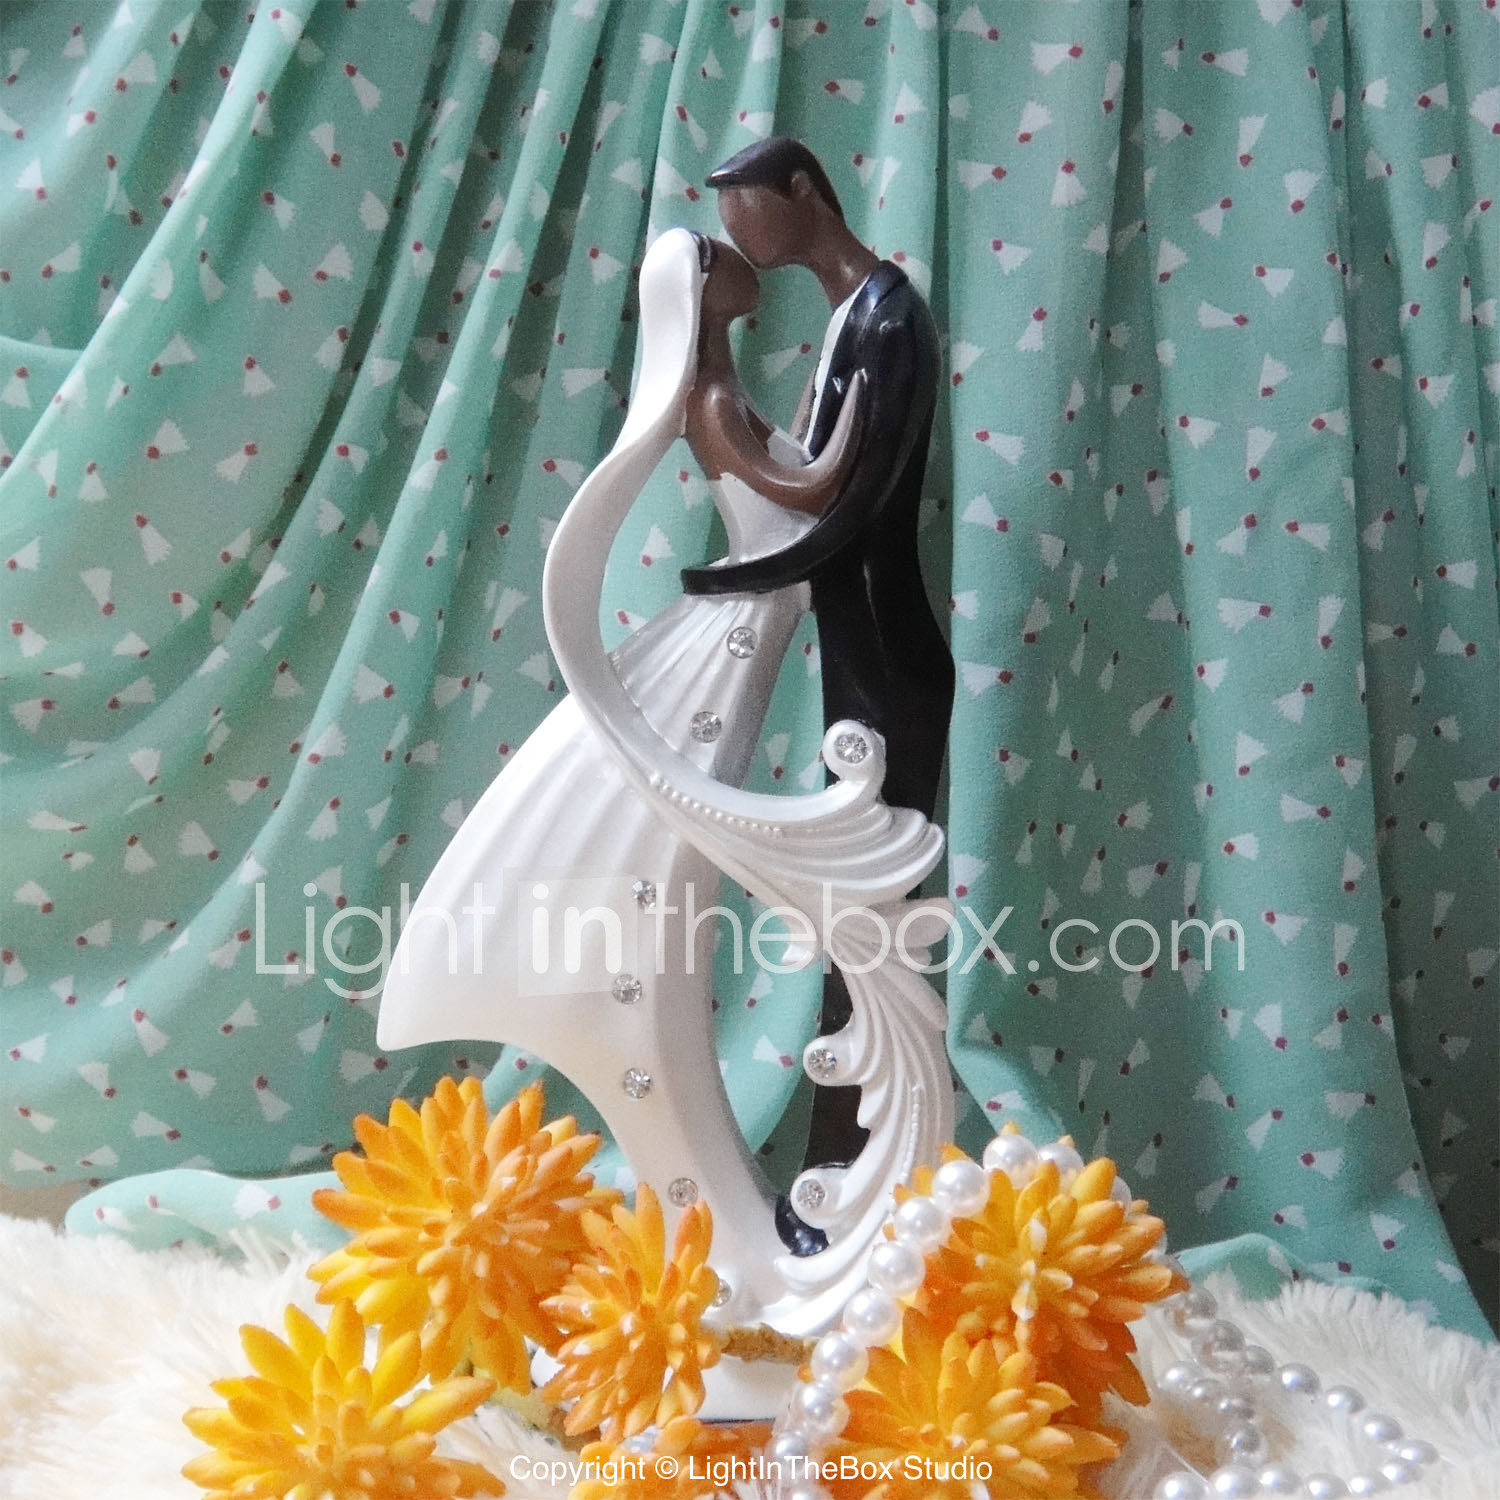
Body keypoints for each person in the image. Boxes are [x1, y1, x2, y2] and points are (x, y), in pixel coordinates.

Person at [683, 141, 955, 1232]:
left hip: (887, 652)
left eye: (747, 213)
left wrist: (726, 574)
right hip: (857, 643)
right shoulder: (851, 318)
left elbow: (855, 506)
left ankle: (854, 1185)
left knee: (869, 927)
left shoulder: (890, 320)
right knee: (853, 925)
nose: (741, 241)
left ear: (803, 193)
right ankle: (843, 1179)